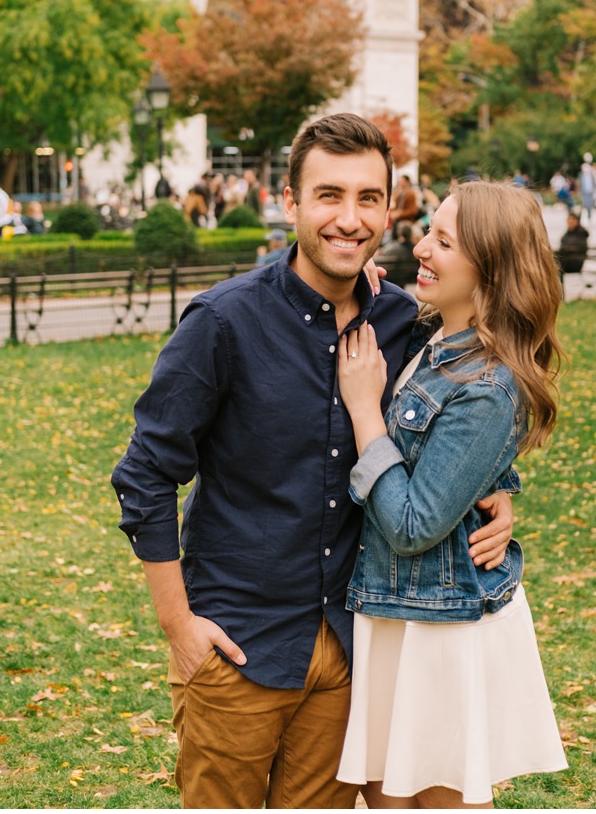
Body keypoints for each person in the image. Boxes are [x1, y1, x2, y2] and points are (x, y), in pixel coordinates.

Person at [111, 113, 516, 809]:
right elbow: (146, 474)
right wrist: (178, 627)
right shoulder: (223, 321)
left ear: (391, 209)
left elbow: (461, 417)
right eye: (329, 196)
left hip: (352, 647)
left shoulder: (402, 319)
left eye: (368, 199)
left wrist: (501, 489)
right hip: (238, 643)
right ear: (290, 203)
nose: (349, 220)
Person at [334, 180, 568, 807]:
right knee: (384, 794)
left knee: (428, 794)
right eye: (427, 233)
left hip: (438, 625)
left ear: (491, 267)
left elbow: (414, 524)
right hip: (396, 610)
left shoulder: (489, 387)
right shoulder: (430, 337)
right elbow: (455, 470)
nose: (422, 249)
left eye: (443, 241)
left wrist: (365, 414)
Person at [556, 210, 590, 275]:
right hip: (566, 260)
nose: (569, 221)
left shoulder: (581, 233)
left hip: (575, 262)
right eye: (568, 219)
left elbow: (577, 247)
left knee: (556, 264)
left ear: (577, 221)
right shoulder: (569, 232)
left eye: (572, 220)